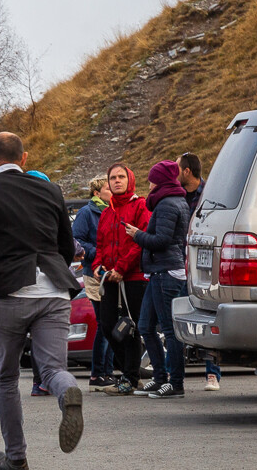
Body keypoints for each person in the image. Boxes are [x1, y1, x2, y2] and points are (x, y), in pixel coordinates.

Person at [0, 132, 84, 470]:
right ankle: (67, 393)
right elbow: (66, 244)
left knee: (5, 376)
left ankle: (16, 458)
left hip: (11, 294)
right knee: (51, 368)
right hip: (55, 291)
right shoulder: (51, 190)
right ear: (25, 157)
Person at [126, 160, 190, 398]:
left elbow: (162, 240)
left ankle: (175, 383)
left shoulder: (166, 204)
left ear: (161, 180)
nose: (149, 183)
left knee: (169, 330)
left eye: (152, 179)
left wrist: (137, 235)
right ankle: (160, 377)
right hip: (158, 271)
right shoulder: (175, 201)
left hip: (166, 271)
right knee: (145, 326)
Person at [94, 163, 151, 396]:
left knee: (133, 328)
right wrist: (98, 265)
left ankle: (129, 377)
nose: (117, 181)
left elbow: (141, 241)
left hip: (134, 277)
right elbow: (100, 245)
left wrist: (122, 267)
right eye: (112, 178)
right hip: (109, 278)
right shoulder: (107, 212)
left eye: (121, 177)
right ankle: (131, 373)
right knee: (108, 326)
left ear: (130, 180)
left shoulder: (140, 206)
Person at [179, 151, 221, 391]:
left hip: (205, 264)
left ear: (187, 171)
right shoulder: (177, 196)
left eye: (177, 169)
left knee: (208, 315)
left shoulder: (209, 195)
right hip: (182, 262)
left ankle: (212, 374)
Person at [73, 175, 116, 389]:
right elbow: (77, 241)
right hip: (95, 273)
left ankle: (107, 372)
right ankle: (97, 373)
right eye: (108, 188)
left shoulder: (116, 210)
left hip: (114, 273)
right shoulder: (86, 213)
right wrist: (97, 253)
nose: (113, 190)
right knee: (103, 323)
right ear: (97, 193)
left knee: (110, 323)